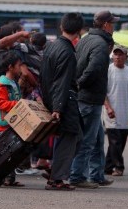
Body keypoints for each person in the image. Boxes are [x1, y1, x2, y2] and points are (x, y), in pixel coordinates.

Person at [69, 10, 117, 189]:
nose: (114, 27)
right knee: (87, 140)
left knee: (97, 139)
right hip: (90, 99)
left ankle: (96, 174)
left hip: (87, 98)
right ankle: (77, 176)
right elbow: (93, 70)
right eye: (112, 23)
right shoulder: (100, 44)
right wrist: (80, 84)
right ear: (105, 25)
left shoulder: (86, 40)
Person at [40, 12, 84, 191]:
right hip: (65, 100)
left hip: (52, 97)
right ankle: (57, 178)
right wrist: (57, 107)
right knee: (72, 136)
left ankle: (56, 169)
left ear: (61, 27)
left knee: (76, 135)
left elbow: (44, 76)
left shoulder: (52, 46)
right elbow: (62, 81)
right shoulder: (67, 52)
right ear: (79, 31)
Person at [103, 45, 128, 177]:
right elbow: (103, 92)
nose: (118, 57)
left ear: (126, 57)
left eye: (121, 54)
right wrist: (108, 107)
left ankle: (107, 167)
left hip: (124, 113)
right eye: (115, 54)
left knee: (120, 142)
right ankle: (119, 167)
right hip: (111, 113)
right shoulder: (108, 70)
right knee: (115, 141)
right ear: (112, 56)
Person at [0, 50, 24, 187]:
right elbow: (0, 102)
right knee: (6, 152)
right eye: (18, 65)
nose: (20, 68)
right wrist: (17, 104)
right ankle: (4, 178)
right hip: (4, 123)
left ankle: (10, 178)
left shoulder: (13, 82)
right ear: (10, 67)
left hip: (13, 122)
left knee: (14, 151)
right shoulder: (3, 83)